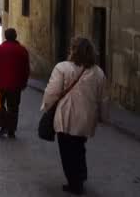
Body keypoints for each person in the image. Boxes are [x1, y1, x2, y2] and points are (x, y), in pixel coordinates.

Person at [41, 38, 108, 195]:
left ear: (73, 50)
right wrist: (103, 117)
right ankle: (80, 177)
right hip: (86, 117)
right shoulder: (98, 72)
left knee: (67, 150)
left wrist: (46, 106)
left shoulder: (63, 68)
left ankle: (74, 182)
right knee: (79, 147)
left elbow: (52, 91)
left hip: (66, 115)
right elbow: (103, 98)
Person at [0, 28, 30, 139]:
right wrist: (24, 82)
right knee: (14, 107)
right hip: (16, 85)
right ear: (15, 36)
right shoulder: (22, 50)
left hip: (0, 84)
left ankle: (4, 125)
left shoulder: (0, 49)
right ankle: (11, 129)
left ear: (6, 36)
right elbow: (26, 68)